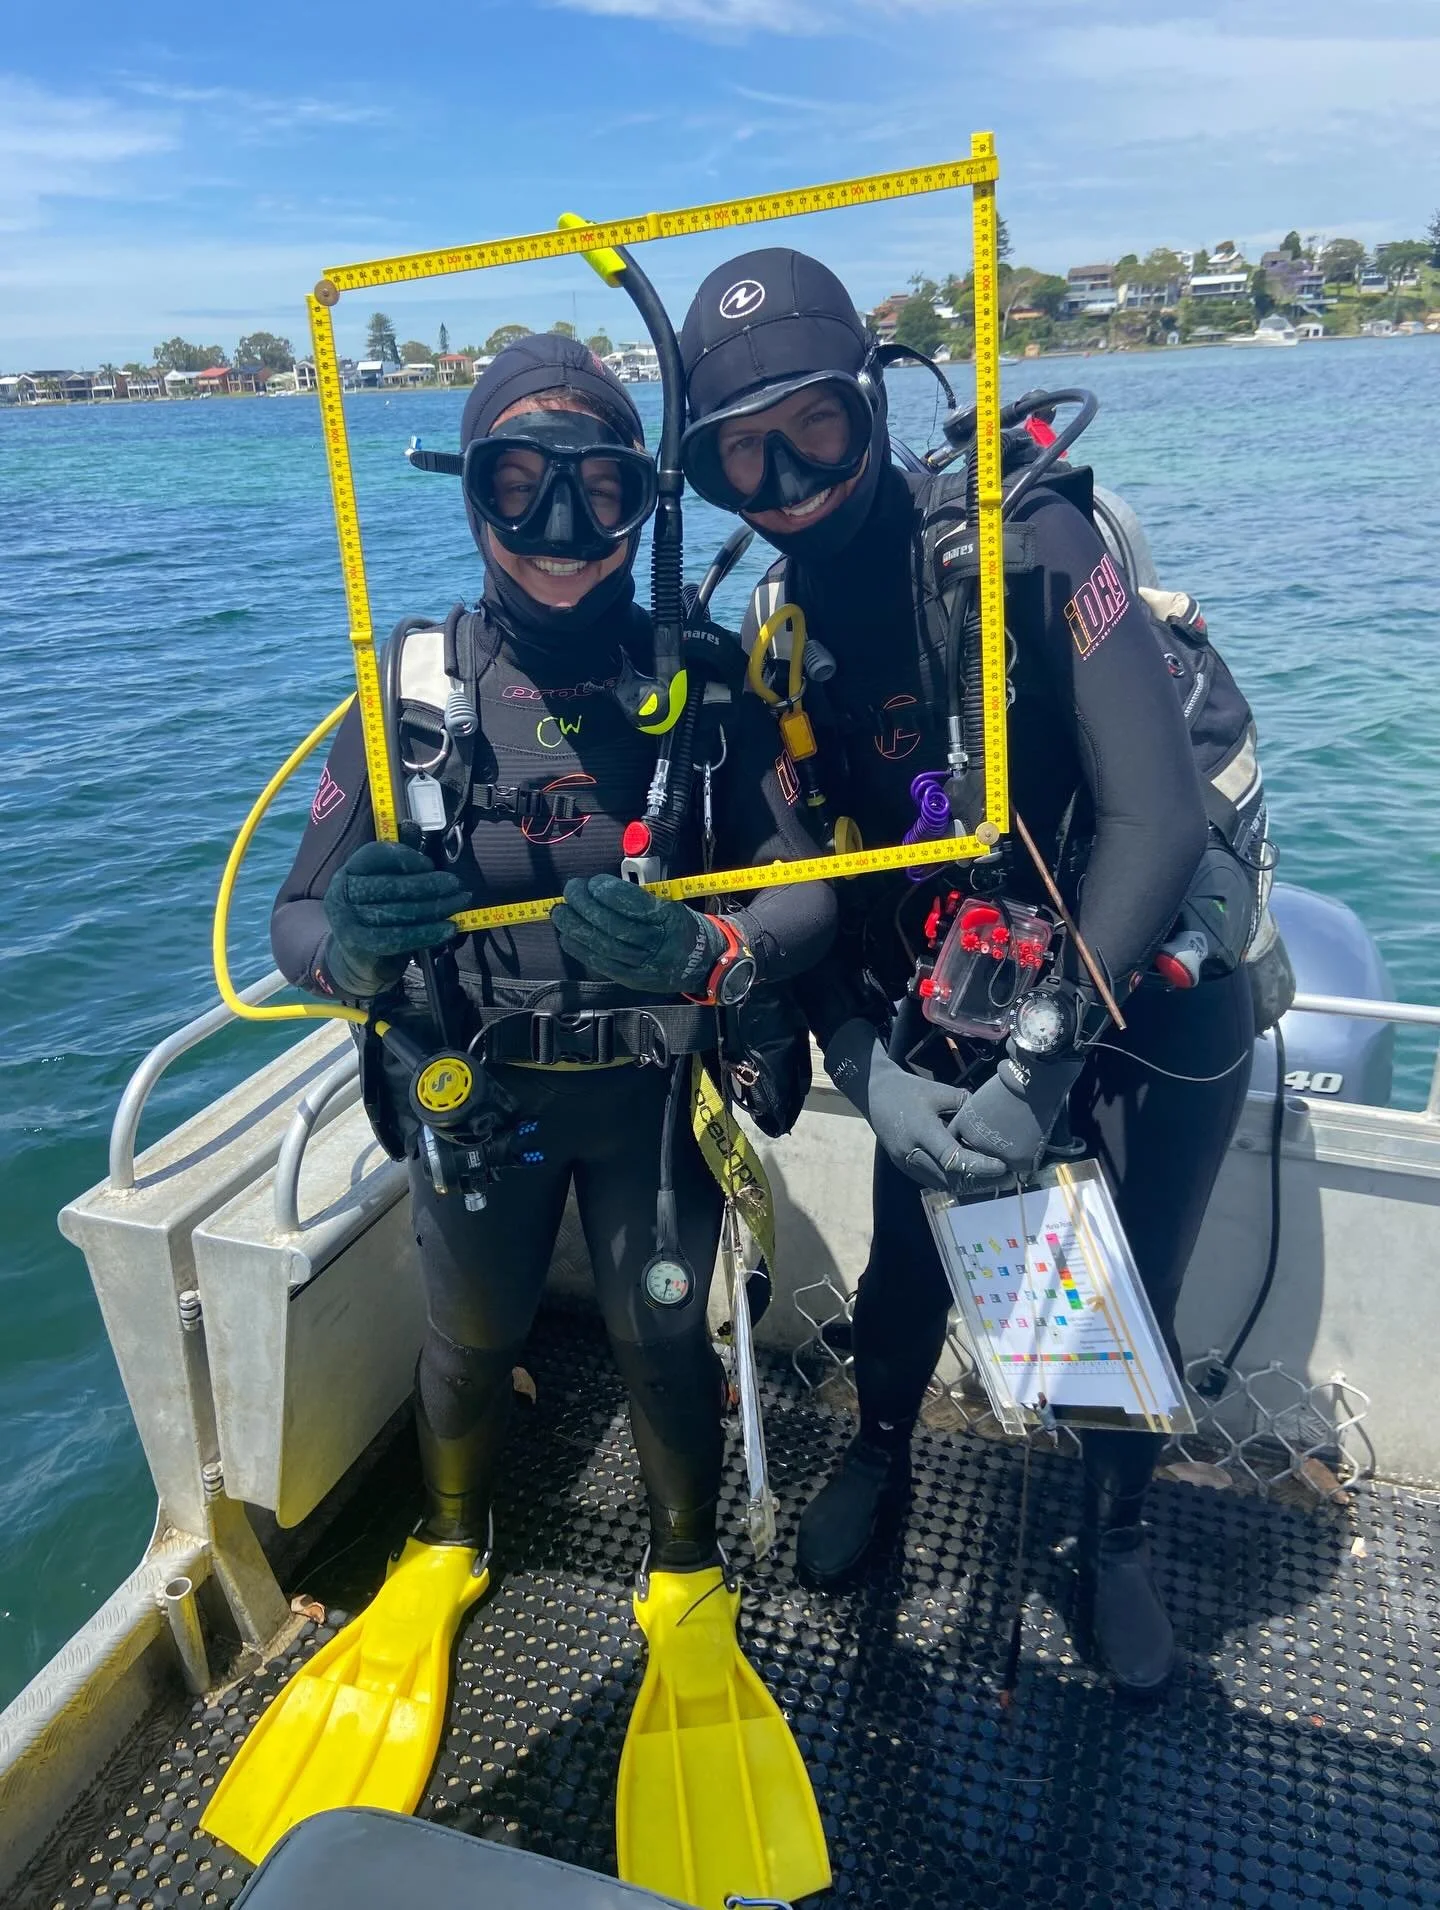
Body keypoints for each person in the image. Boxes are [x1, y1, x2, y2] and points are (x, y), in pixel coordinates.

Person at [203, 334, 836, 1874]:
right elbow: (285, 928)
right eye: (520, 487)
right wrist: (350, 947)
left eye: (600, 490)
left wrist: (715, 944)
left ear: (642, 502)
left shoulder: (696, 688)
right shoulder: (410, 693)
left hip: (646, 1096)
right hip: (474, 1102)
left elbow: (813, 897)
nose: (561, 535)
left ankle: (687, 1574)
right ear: (471, 491)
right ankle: (443, 1542)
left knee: (659, 1335)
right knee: (468, 1337)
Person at [676, 250, 1256, 1696]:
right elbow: (803, 886)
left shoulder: (1030, 540)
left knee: (1133, 1291)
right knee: (902, 1271)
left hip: (1147, 992)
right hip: (948, 994)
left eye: (810, 422)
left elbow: (1159, 817)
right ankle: (882, 1453)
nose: (785, 474)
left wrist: (1048, 1050)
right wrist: (866, 1068)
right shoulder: (777, 645)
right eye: (739, 450)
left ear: (871, 397)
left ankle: (1111, 1540)